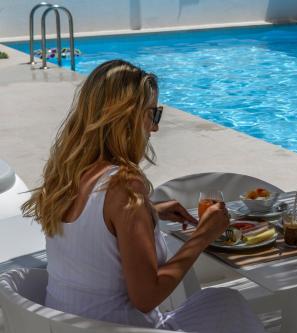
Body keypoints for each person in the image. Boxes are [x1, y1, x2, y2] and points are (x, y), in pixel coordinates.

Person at [21, 60, 265, 333]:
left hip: (64, 325)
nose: (155, 127)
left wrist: (150, 211)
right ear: (125, 118)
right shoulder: (124, 186)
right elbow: (146, 298)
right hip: (120, 328)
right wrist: (202, 236)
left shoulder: (66, 176)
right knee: (226, 303)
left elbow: (91, 229)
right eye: (153, 114)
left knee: (223, 304)